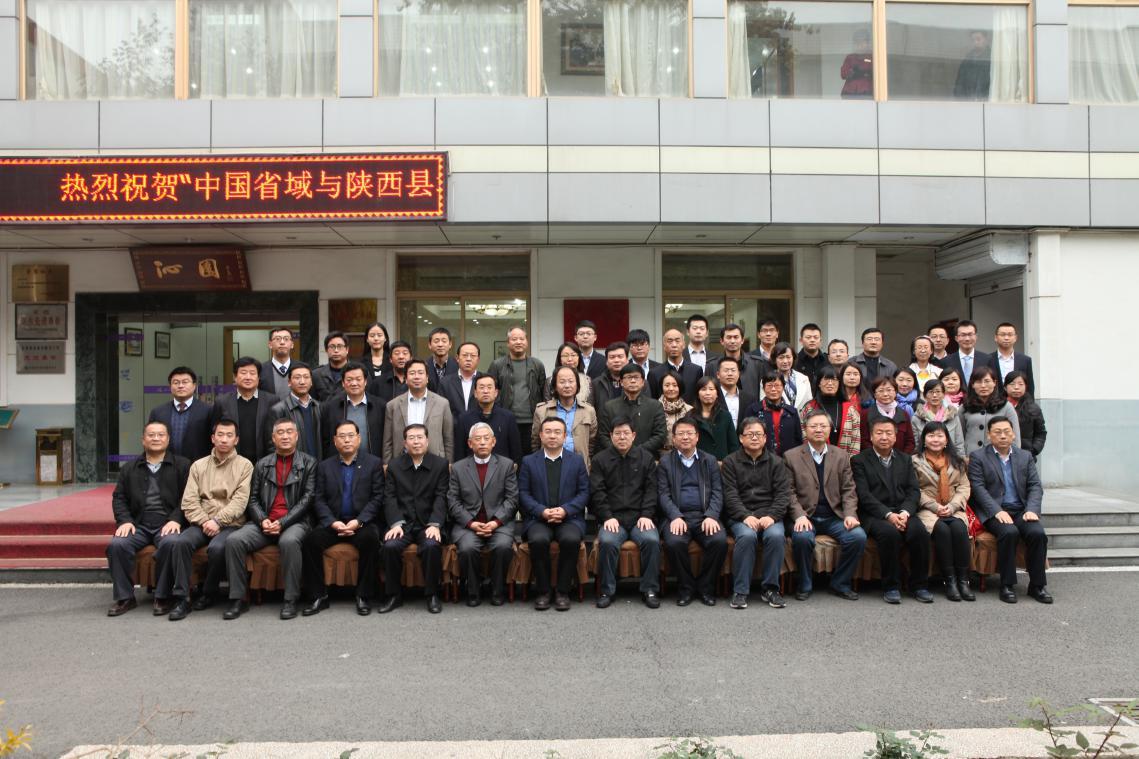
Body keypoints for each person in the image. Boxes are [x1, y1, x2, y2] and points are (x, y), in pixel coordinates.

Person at [224, 418, 316, 621]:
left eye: (289, 432)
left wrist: (282, 523)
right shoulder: (262, 464)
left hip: (295, 522)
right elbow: (253, 499)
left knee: (289, 541)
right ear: (273, 438)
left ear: (297, 436)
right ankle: (238, 598)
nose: (285, 436)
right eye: (280, 432)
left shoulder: (309, 463)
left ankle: (291, 599)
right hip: (264, 522)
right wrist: (263, 520)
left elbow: (307, 500)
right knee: (234, 540)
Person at [165, 418, 254, 620]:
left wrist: (218, 521)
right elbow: (189, 501)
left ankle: (210, 592)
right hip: (201, 522)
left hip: (230, 524)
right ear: (212, 438)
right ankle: (182, 598)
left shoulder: (245, 466)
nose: (224, 439)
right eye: (220, 435)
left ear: (236, 440)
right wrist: (205, 521)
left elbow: (240, 502)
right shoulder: (199, 465)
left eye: (229, 435)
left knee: (218, 548)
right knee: (180, 543)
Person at [105, 421, 191, 617]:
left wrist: (176, 519)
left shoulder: (182, 465)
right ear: (143, 440)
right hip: (139, 524)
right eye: (151, 435)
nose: (156, 438)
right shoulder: (129, 468)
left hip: (168, 523)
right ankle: (125, 597)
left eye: (161, 435)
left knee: (171, 543)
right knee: (117, 545)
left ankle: (163, 596)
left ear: (168, 439)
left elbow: (188, 497)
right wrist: (125, 521)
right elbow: (119, 498)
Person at [302, 420, 385, 616]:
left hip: (361, 523)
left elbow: (377, 497)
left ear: (359, 438)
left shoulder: (373, 463)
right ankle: (318, 596)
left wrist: (359, 521)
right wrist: (332, 522)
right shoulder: (324, 466)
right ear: (335, 440)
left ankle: (363, 595)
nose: (347, 440)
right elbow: (319, 499)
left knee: (370, 540)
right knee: (310, 541)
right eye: (342, 436)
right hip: (334, 522)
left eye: (350, 436)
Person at [784, 409, 867, 600]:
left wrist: (850, 514)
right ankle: (804, 583)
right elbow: (788, 492)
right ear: (805, 429)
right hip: (806, 515)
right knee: (802, 538)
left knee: (857, 537)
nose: (818, 429)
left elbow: (849, 490)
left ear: (830, 429)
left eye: (823, 425)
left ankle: (840, 583)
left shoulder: (841, 455)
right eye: (814, 426)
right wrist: (799, 516)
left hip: (833, 516)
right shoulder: (791, 456)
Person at [967, 417, 1052, 604]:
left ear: (1013, 434)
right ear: (989, 435)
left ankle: (1037, 585)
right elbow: (978, 489)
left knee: (1037, 533)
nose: (1003, 436)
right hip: (993, 512)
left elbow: (1035, 486)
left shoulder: (1025, 456)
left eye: (1007, 431)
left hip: (1020, 510)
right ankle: (1007, 584)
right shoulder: (978, 457)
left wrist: (1032, 509)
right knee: (1009, 532)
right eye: (997, 432)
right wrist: (997, 511)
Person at [852, 416, 933, 604]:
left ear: (895, 437)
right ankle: (891, 586)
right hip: (875, 514)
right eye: (879, 433)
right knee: (890, 534)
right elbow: (864, 495)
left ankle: (919, 586)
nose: (884, 437)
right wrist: (888, 515)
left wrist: (904, 512)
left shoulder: (905, 459)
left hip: (903, 511)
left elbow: (913, 491)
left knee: (919, 532)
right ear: (871, 436)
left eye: (888, 433)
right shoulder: (859, 460)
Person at [518, 418, 589, 611]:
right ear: (541, 435)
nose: (552, 436)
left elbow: (584, 492)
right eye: (548, 431)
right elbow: (523, 493)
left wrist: (566, 510)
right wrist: (541, 511)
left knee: (570, 540)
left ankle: (563, 591)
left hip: (569, 518)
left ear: (565, 436)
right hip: (539, 519)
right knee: (538, 540)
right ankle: (543, 591)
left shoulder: (576, 460)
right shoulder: (529, 461)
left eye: (557, 432)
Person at [590, 418, 662, 609]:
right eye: (617, 433)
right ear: (611, 436)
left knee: (651, 540)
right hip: (613, 518)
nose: (622, 437)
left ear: (634, 435)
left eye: (626, 433)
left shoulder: (646, 458)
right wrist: (607, 517)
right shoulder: (600, 460)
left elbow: (651, 490)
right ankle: (607, 591)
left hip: (640, 518)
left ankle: (650, 589)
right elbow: (597, 492)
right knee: (607, 541)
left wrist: (646, 514)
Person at [656, 418, 728, 606]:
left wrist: (711, 515)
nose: (685, 437)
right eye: (681, 433)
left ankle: (705, 587)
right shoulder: (665, 462)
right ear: (673, 438)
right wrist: (675, 516)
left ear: (697, 437)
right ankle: (686, 588)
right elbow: (663, 494)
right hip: (677, 516)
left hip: (704, 516)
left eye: (689, 433)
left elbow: (718, 492)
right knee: (674, 542)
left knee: (719, 541)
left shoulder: (709, 461)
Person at [379, 424, 449, 615]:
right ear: (405, 443)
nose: (416, 442)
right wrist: (395, 523)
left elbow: (441, 497)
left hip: (428, 523)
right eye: (411, 438)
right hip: (403, 523)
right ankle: (394, 595)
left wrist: (435, 523)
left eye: (420, 437)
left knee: (431, 545)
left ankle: (432, 594)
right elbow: (389, 497)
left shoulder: (440, 465)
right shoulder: (394, 466)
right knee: (390, 546)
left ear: (427, 440)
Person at [447, 422, 519, 606]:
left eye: (486, 438)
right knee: (468, 548)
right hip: (468, 525)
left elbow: (512, 500)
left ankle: (497, 589)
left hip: (499, 524)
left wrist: (495, 522)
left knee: (502, 546)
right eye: (477, 439)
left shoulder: (506, 465)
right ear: (470, 443)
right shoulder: (458, 468)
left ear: (493, 442)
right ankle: (473, 591)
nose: (482, 442)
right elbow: (453, 501)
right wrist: (471, 523)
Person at [721, 418, 790, 610]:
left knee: (776, 536)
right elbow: (730, 495)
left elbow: (783, 495)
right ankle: (740, 591)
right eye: (749, 434)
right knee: (747, 536)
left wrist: (772, 516)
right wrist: (745, 516)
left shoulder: (777, 462)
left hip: (769, 514)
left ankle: (770, 589)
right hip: (740, 516)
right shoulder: (730, 462)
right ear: (741, 438)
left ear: (765, 438)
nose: (754, 437)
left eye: (758, 434)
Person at [912, 421, 975, 602]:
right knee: (942, 530)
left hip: (953, 507)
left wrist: (953, 506)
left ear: (947, 440)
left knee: (959, 529)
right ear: (924, 439)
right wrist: (935, 506)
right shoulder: (914, 461)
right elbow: (914, 489)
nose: (935, 439)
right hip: (927, 508)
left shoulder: (957, 461)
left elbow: (964, 487)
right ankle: (949, 581)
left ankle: (963, 580)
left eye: (940, 436)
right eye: (931, 435)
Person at [488, 325, 547, 455]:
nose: (518, 342)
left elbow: (543, 392)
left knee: (530, 457)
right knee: (507, 457)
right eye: (514, 339)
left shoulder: (537, 365)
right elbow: (491, 392)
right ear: (508, 343)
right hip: (506, 420)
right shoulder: (497, 365)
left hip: (532, 422)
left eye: (522, 339)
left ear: (527, 341)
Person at [383, 358, 454, 463]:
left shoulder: (442, 403)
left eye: (420, 373)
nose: (416, 376)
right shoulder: (393, 405)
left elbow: (448, 438)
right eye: (412, 373)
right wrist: (386, 463)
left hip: (435, 461)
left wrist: (449, 462)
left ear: (427, 378)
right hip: (402, 461)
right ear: (406, 379)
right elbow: (387, 440)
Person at [213, 356, 278, 464]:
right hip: (230, 463)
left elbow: (276, 432)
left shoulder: (272, 401)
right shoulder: (222, 402)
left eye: (252, 373)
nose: (248, 377)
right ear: (235, 377)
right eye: (243, 373)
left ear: (258, 377)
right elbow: (214, 432)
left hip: (264, 462)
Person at [532, 366, 598, 471]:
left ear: (577, 385)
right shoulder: (542, 410)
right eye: (562, 382)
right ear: (554, 386)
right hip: (548, 466)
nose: (567, 385)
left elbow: (592, 442)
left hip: (579, 467)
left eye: (571, 381)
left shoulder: (589, 411)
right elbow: (536, 441)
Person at [598, 363, 668, 458]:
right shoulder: (610, 406)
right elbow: (603, 435)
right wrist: (619, 451)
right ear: (621, 382)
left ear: (643, 382)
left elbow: (660, 435)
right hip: (616, 459)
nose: (633, 381)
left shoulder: (655, 406)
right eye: (629, 377)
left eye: (636, 377)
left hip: (646, 458)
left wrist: (637, 451)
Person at [320, 362, 385, 460]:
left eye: (358, 379)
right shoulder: (330, 407)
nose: (354, 383)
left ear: (365, 381)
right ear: (343, 383)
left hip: (373, 463)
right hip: (340, 463)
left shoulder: (380, 406)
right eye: (349, 380)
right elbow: (325, 441)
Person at [148, 366, 213, 462]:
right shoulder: (158, 412)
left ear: (194, 385)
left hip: (197, 465)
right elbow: (150, 440)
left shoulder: (208, 411)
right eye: (176, 382)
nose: (180, 386)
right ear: (170, 386)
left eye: (185, 382)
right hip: (165, 465)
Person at [456, 374, 522, 463]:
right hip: (472, 469)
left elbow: (516, 451)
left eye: (489, 387)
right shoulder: (464, 418)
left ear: (496, 393)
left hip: (502, 469)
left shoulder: (508, 417)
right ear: (475, 393)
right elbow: (459, 453)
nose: (485, 391)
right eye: (481, 387)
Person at [800, 366, 861, 454]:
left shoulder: (850, 410)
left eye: (834, 380)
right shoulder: (809, 408)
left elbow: (855, 441)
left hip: (845, 459)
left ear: (839, 384)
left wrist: (849, 461)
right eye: (826, 379)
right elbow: (804, 437)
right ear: (819, 383)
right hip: (815, 458)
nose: (830, 383)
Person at [961, 366, 1021, 455]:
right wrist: (962, 457)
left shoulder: (1006, 406)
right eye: (978, 382)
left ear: (994, 383)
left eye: (987, 381)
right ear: (972, 384)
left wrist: (1012, 457)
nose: (983, 385)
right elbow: (959, 437)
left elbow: (1015, 437)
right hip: (970, 457)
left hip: (999, 457)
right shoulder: (965, 407)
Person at [267, 363, 322, 460]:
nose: (302, 382)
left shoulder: (319, 407)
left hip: (318, 463)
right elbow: (272, 445)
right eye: (297, 377)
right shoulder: (278, 410)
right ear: (289, 382)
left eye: (306, 377)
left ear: (311, 382)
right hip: (293, 465)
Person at [745, 373, 803, 456]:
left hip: (788, 459)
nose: (773, 389)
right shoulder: (753, 410)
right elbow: (746, 437)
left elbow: (798, 440)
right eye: (769, 386)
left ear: (783, 387)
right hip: (761, 458)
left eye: (777, 385)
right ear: (763, 388)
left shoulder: (791, 412)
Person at [706, 324, 762, 406]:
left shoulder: (756, 364)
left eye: (736, 337)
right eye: (729, 337)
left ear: (742, 340)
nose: (732, 341)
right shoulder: (711, 365)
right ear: (721, 341)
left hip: (752, 410)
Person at [860, 376, 916, 455]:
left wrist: (902, 458)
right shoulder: (865, 414)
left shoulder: (904, 414)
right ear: (875, 394)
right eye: (881, 391)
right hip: (872, 459)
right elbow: (863, 440)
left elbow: (910, 441)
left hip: (900, 459)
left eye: (889, 390)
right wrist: (877, 457)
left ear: (895, 392)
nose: (885, 394)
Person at [648, 328, 702, 405]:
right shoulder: (654, 373)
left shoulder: (696, 370)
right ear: (664, 346)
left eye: (677, 341)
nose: (674, 345)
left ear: (683, 344)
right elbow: (652, 402)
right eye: (670, 341)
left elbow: (699, 399)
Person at [911, 379, 965, 454]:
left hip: (950, 458)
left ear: (943, 395)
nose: (934, 395)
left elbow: (959, 443)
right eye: (931, 392)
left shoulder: (952, 415)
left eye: (938, 392)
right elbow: (916, 445)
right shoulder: (917, 418)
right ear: (925, 395)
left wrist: (960, 459)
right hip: (925, 459)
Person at [692, 376, 739, 460]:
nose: (708, 393)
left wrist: (728, 464)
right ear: (698, 394)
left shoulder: (725, 416)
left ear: (717, 393)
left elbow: (733, 445)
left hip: (722, 464)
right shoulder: (690, 416)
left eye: (711, 389)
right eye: (703, 389)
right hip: (698, 463)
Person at [437, 341, 485, 421]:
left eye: (473, 356)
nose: (468, 359)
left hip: (479, 426)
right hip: (453, 426)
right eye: (465, 355)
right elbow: (440, 409)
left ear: (478, 359)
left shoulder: (485, 380)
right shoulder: (445, 382)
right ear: (457, 358)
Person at [1005, 370, 1047, 459]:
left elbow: (1041, 433)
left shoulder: (1033, 408)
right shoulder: (998, 406)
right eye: (1012, 384)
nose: (1016, 387)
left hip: (1025, 455)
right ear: (1005, 387)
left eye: (1020, 384)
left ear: (1026, 387)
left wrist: (1033, 450)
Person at [987, 322, 1035, 397]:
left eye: (1010, 335)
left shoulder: (1025, 360)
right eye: (1002, 334)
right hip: (994, 402)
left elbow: (1030, 387)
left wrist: (1029, 403)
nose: (1006, 338)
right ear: (996, 338)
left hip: (1019, 402)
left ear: (1015, 338)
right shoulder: (987, 359)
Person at [852, 327, 898, 398]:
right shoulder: (852, 363)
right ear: (862, 343)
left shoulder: (890, 366)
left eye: (877, 339)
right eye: (869, 339)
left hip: (883, 402)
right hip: (857, 401)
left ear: (882, 344)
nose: (873, 342)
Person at [943, 320, 990, 384]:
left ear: (976, 336)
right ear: (956, 338)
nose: (967, 339)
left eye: (970, 334)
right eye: (963, 335)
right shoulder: (946, 361)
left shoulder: (987, 359)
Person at [771, 341, 812, 413]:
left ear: (793, 358)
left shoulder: (804, 378)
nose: (785, 361)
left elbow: (809, 403)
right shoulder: (767, 380)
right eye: (781, 357)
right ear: (775, 359)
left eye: (788, 357)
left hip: (801, 419)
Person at [658, 371, 693, 453]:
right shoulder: (654, 408)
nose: (671, 389)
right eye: (667, 385)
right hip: (659, 454)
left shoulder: (689, 410)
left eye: (675, 385)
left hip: (684, 453)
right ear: (661, 387)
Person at [312, 331, 350, 402]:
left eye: (339, 346)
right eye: (332, 347)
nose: (336, 350)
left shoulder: (358, 373)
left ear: (347, 349)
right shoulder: (316, 375)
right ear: (326, 350)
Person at [953, 29, 991, 100]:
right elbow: (959, 86)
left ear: (986, 39)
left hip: (986, 103)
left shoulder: (992, 58)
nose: (975, 42)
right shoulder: (967, 60)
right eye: (973, 40)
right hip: (968, 103)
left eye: (978, 39)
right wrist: (964, 101)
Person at [551, 342, 592, 406]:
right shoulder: (550, 381)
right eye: (565, 356)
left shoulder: (587, 381)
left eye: (573, 355)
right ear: (559, 359)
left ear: (579, 357)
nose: (570, 359)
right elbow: (547, 406)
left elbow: (590, 406)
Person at [370, 339, 411, 404]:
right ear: (390, 359)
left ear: (411, 358)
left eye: (405, 353)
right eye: (397, 353)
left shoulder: (418, 380)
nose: (401, 357)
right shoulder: (378, 383)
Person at [591, 341, 629, 410]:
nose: (616, 360)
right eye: (612, 357)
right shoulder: (596, 383)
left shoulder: (640, 382)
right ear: (606, 362)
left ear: (627, 360)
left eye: (620, 357)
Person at [260, 327, 295, 397]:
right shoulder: (260, 370)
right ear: (270, 344)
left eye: (286, 339)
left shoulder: (301, 368)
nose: (282, 342)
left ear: (292, 345)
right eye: (278, 339)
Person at [424, 326, 459, 394]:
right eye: (436, 341)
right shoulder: (423, 366)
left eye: (444, 341)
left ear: (450, 344)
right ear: (429, 345)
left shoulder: (458, 366)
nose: (440, 345)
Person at [840, 28, 873, 99]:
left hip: (867, 94)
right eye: (857, 42)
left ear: (868, 43)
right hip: (850, 94)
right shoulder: (850, 57)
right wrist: (852, 72)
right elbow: (843, 74)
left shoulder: (873, 57)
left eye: (863, 42)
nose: (860, 45)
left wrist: (865, 72)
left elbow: (878, 75)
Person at [359, 321, 392, 386]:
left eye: (379, 335)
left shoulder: (392, 361)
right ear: (367, 339)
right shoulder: (360, 363)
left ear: (385, 338)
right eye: (372, 335)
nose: (376, 338)